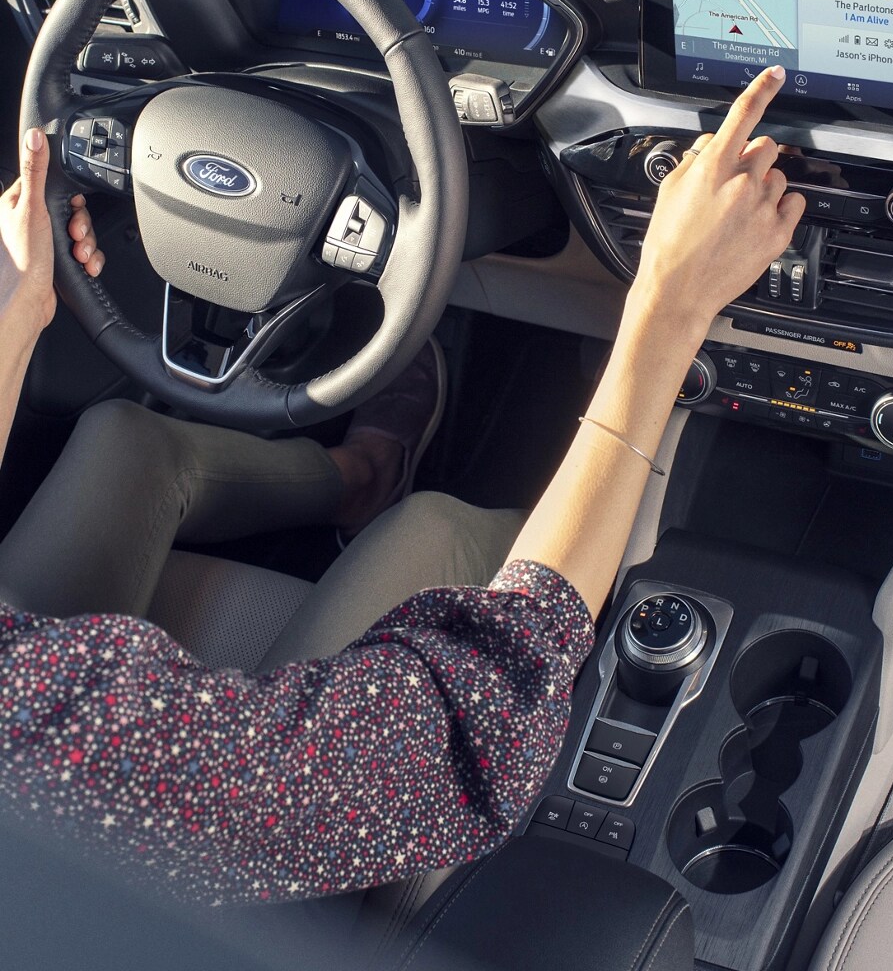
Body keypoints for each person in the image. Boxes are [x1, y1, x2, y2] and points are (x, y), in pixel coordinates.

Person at [0, 67, 804, 906]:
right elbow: (474, 715)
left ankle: (357, 475)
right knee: (433, 528)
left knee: (124, 438)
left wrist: (15, 314)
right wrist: (669, 307)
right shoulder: (67, 753)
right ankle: (565, 534)